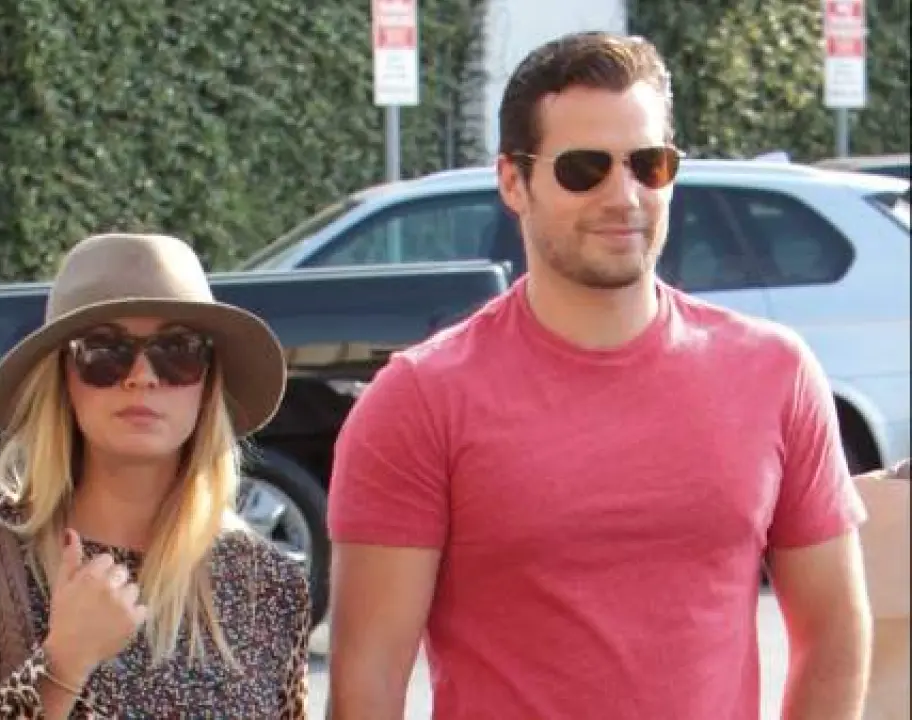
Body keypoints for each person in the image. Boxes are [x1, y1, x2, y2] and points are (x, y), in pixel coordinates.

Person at [325, 31, 871, 720]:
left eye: (649, 164)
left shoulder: (775, 373)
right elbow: (368, 680)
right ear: (512, 182)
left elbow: (834, 632)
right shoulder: (420, 399)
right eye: (583, 169)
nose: (624, 195)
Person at [0, 233, 312, 718]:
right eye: (105, 350)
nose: (142, 376)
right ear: (62, 378)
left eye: (177, 349)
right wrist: (63, 664)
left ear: (208, 380)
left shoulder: (269, 585)